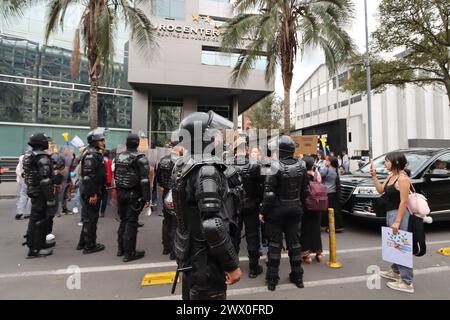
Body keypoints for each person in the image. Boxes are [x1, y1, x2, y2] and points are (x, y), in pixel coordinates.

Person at [172, 111, 241, 300]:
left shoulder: (183, 164)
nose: (220, 137)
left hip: (191, 252)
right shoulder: (207, 169)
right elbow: (212, 224)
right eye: (215, 133)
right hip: (206, 259)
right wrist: (231, 265)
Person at [260, 135, 309, 291]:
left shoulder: (275, 166)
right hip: (295, 209)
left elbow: (269, 194)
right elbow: (306, 191)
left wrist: (262, 211)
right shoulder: (301, 165)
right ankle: (298, 277)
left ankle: (272, 279)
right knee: (294, 244)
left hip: (277, 211)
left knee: (275, 245)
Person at [371, 152, 414, 293]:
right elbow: (380, 190)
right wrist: (374, 177)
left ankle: (407, 282)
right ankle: (395, 271)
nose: (385, 163)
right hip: (391, 213)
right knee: (395, 244)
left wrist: (397, 221)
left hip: (399, 214)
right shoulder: (391, 176)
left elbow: (404, 201)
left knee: (401, 246)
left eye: (387, 161)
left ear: (395, 162)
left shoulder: (402, 179)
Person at [114, 134, 151, 262]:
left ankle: (121, 249)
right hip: (133, 194)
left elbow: (116, 175)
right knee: (131, 222)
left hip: (121, 192)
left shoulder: (118, 157)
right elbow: (145, 180)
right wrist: (147, 198)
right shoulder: (140, 158)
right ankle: (129, 253)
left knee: (123, 221)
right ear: (138, 143)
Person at [232, 139, 263, 278]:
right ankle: (253, 267)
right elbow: (260, 186)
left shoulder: (228, 165)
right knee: (252, 236)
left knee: (234, 236)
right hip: (251, 204)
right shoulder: (254, 165)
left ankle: (233, 266)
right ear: (245, 150)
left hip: (235, 206)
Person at [22, 133, 56, 258]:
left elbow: (27, 175)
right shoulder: (41, 156)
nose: (47, 142)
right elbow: (45, 180)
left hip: (34, 190)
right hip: (40, 192)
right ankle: (35, 249)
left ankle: (40, 243)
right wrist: (51, 198)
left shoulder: (29, 155)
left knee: (38, 218)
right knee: (38, 220)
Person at [76, 128, 107, 254]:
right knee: (91, 218)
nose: (103, 142)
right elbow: (88, 177)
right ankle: (90, 245)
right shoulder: (92, 155)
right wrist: (92, 194)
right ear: (94, 141)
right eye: (101, 140)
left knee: (87, 218)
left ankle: (82, 242)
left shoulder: (93, 153)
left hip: (91, 189)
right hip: (91, 190)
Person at [156, 143, 181, 259]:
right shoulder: (181, 162)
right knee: (176, 221)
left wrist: (162, 186)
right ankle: (174, 251)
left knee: (167, 220)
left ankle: (166, 247)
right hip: (176, 193)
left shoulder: (163, 160)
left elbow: (158, 177)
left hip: (166, 191)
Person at [300, 156, 323, 264]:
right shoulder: (317, 175)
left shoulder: (303, 176)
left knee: (306, 229)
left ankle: (306, 254)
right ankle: (318, 252)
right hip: (318, 205)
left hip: (306, 206)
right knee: (316, 229)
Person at [320, 156, 344, 232]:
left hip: (327, 192)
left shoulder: (327, 169)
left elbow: (319, 175)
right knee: (335, 210)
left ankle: (330, 227)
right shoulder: (337, 170)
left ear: (330, 162)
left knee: (327, 211)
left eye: (327, 160)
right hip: (334, 192)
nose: (326, 162)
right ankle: (337, 226)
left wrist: (323, 167)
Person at [15, 153, 31, 220]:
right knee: (30, 196)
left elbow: (18, 171)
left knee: (23, 195)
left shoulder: (21, 159)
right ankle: (28, 212)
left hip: (24, 180)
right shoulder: (34, 159)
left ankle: (20, 212)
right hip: (32, 180)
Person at [100, 150, 113, 218]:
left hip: (100, 181)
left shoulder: (100, 160)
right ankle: (102, 212)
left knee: (99, 195)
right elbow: (111, 171)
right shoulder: (109, 162)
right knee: (105, 196)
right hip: (107, 181)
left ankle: (97, 210)